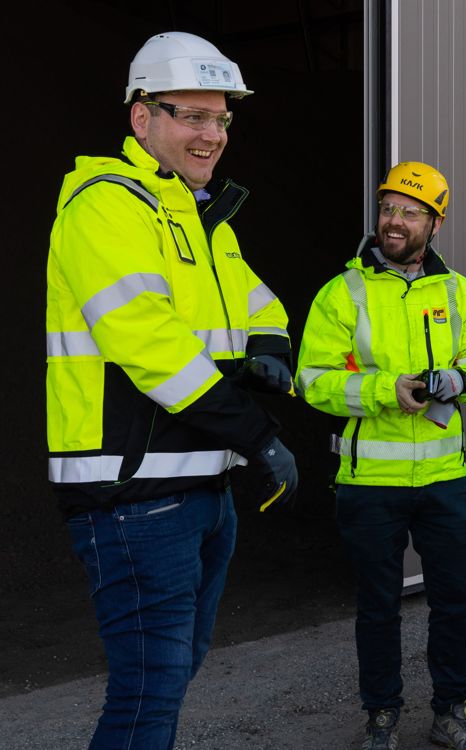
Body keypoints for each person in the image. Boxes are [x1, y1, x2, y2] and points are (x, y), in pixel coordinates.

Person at [45, 31, 299, 749]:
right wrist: (258, 435)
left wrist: (269, 345)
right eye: (190, 115)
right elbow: (150, 347)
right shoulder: (107, 208)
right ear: (141, 118)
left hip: (199, 488)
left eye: (220, 119)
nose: (209, 134)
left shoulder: (197, 215)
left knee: (174, 673)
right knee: (146, 701)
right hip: (135, 497)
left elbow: (254, 300)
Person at [297, 161, 466, 750]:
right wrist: (387, 389)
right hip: (369, 483)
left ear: (435, 223)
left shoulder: (461, 294)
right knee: (378, 608)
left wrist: (458, 381)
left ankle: (451, 712)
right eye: (388, 208)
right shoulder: (344, 292)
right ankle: (381, 718)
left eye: (411, 212)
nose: (394, 220)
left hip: (444, 479)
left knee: (455, 603)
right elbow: (312, 381)